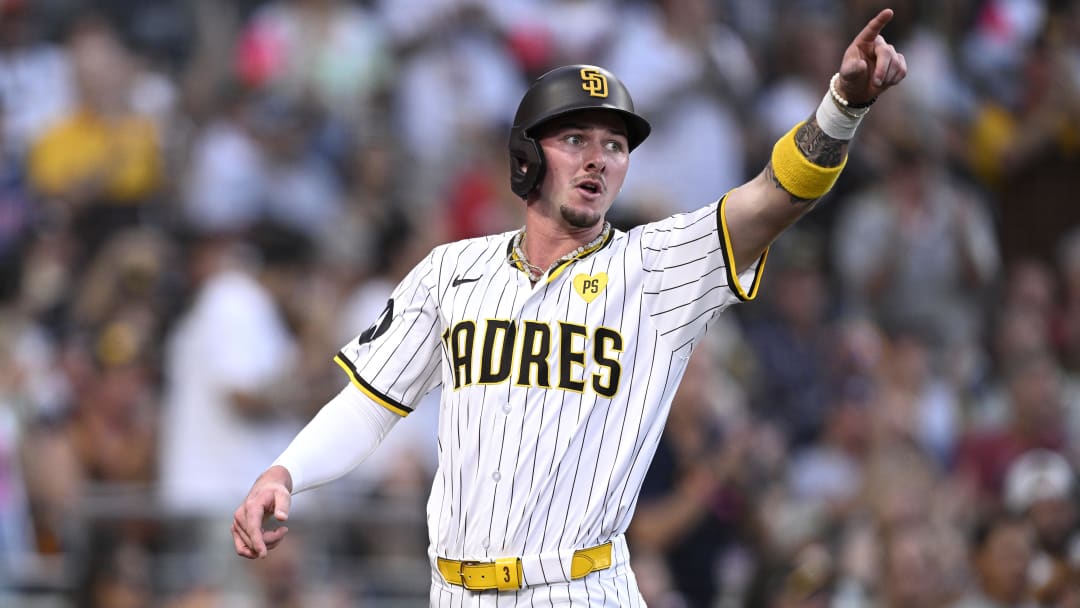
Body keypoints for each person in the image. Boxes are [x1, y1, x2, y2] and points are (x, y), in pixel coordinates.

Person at [232, 9, 907, 604]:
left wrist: (841, 108)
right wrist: (286, 469)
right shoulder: (451, 269)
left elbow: (775, 198)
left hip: (580, 589)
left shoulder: (655, 267)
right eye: (575, 139)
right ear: (526, 157)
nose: (599, 159)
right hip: (456, 590)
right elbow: (370, 403)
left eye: (614, 144)